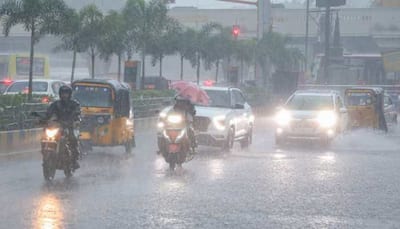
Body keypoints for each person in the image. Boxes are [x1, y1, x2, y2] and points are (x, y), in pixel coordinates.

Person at [45, 85, 81, 169]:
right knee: (46, 136)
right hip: (58, 126)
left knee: (73, 139)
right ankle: (46, 153)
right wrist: (44, 119)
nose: (64, 95)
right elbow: (49, 113)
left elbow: (77, 113)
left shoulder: (74, 104)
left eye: (66, 93)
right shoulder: (55, 104)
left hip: (69, 126)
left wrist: (74, 119)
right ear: (60, 94)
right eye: (63, 93)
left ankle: (74, 160)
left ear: (69, 94)